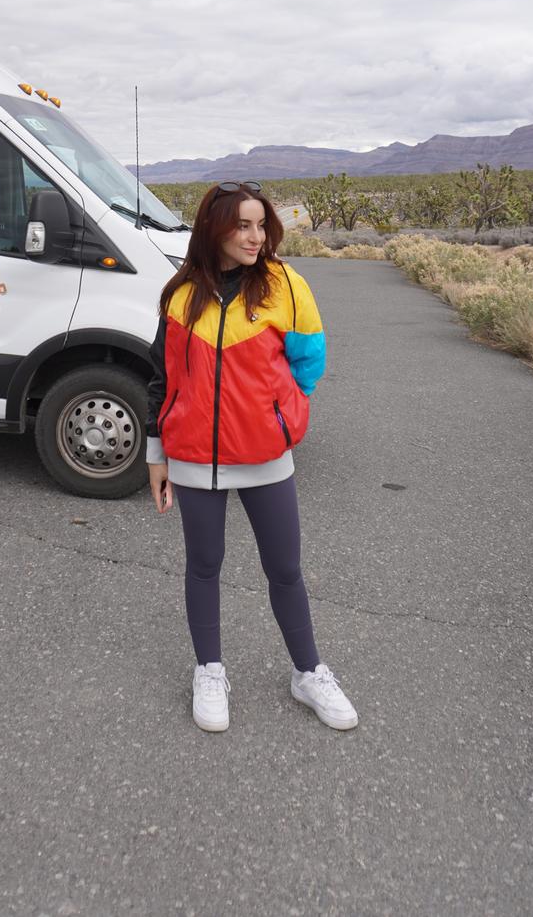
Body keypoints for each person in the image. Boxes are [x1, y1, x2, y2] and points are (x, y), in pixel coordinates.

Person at [146, 181, 358, 734]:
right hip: (194, 458)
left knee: (285, 569)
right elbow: (161, 379)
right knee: (204, 566)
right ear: (214, 228)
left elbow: (309, 362)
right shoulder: (179, 294)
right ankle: (210, 670)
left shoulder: (286, 285)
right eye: (242, 225)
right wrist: (156, 453)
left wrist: (278, 413)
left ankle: (309, 672)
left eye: (260, 225)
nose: (254, 236)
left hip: (265, 455)